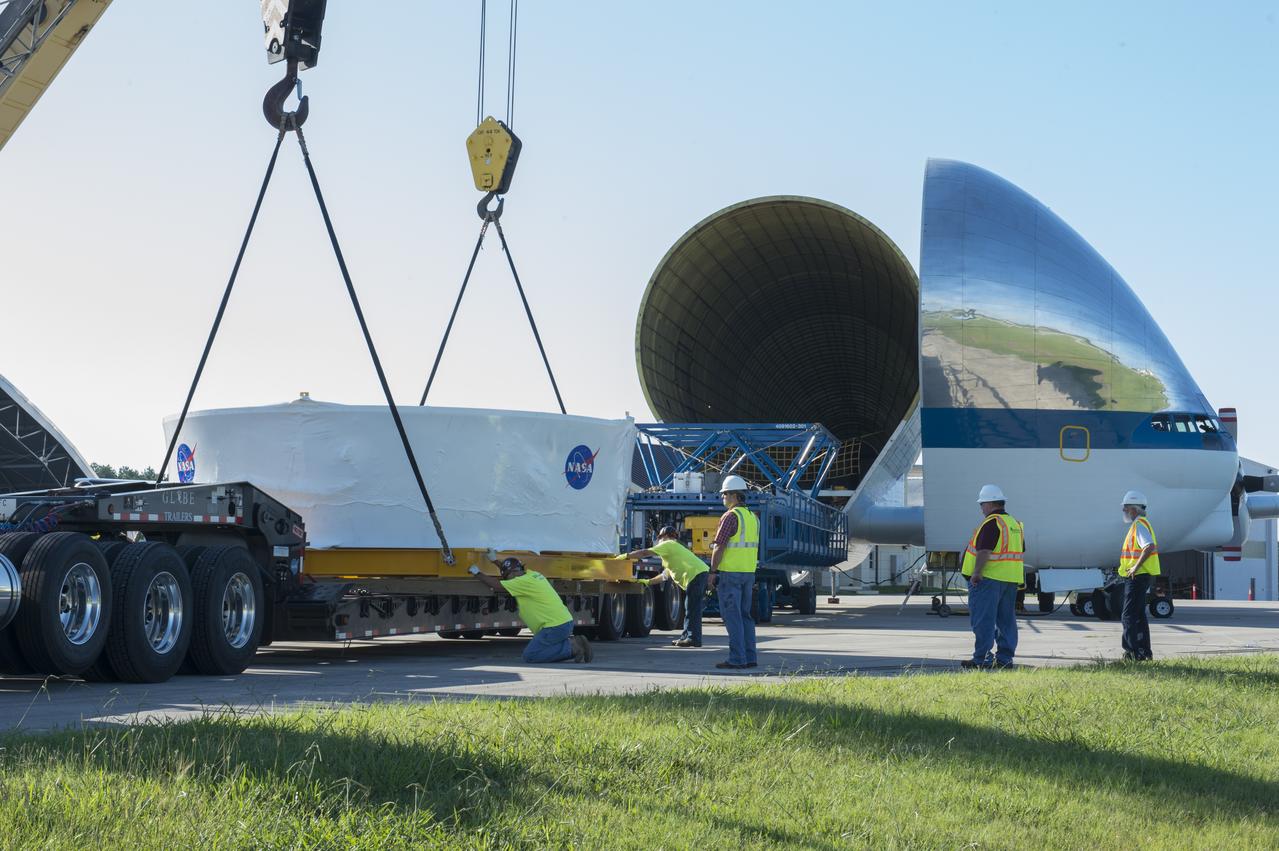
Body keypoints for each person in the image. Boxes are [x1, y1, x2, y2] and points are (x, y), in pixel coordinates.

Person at [469, 557, 592, 663]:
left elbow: (496, 585)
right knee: (541, 650)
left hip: (553, 627)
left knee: (531, 655)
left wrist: (476, 572)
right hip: (563, 623)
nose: (508, 581)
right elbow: (511, 570)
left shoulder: (520, 582)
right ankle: (573, 644)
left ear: (512, 574)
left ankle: (573, 647)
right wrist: (495, 561)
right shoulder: (532, 574)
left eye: (507, 577)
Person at [960, 484, 1025, 670]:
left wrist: (976, 573)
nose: (981, 508)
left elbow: (984, 551)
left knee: (983, 620)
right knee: (1006, 621)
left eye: (981, 504)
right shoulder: (1014, 524)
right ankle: (1005, 659)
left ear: (989, 504)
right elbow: (1020, 551)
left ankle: (982, 659)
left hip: (987, 579)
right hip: (1009, 580)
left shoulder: (991, 522)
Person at [622, 525, 710, 647]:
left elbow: (645, 552)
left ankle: (692, 638)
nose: (659, 541)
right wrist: (648, 582)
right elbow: (664, 576)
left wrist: (626, 556)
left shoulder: (668, 544)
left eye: (659, 538)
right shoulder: (673, 550)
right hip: (699, 575)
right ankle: (689, 637)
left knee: (691, 609)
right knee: (692, 608)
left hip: (696, 576)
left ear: (664, 536)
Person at [708, 475, 759, 670]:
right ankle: (750, 657)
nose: (722, 498)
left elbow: (719, 546)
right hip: (748, 573)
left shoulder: (730, 516)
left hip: (731, 574)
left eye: (724, 494)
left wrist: (713, 571)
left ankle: (737, 659)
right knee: (745, 616)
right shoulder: (752, 518)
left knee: (732, 616)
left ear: (734, 495)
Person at [1118, 490, 1160, 661]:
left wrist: (1135, 566)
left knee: (1128, 615)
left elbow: (1148, 546)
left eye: (1125, 508)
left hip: (1137, 577)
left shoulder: (1139, 525)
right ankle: (1143, 653)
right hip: (1140, 577)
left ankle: (1131, 652)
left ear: (1133, 510)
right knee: (1138, 615)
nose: (1124, 512)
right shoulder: (1142, 524)